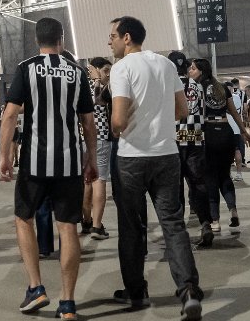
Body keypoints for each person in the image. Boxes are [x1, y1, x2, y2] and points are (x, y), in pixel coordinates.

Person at [0, 17, 96, 321]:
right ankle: (67, 303)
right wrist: (91, 157)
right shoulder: (77, 72)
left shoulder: (26, 68)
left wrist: (3, 154)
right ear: (61, 39)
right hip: (68, 162)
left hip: (35, 162)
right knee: (68, 228)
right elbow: (88, 121)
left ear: (37, 40)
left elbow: (11, 114)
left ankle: (36, 287)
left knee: (23, 218)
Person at [108, 16, 202, 320]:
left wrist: (116, 126)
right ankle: (188, 290)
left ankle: (136, 290)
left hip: (132, 157)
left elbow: (119, 120)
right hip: (167, 155)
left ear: (126, 37)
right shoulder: (166, 64)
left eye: (112, 36)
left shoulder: (122, 68)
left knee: (132, 225)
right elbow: (182, 110)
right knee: (173, 224)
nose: (109, 42)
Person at [190, 59, 243, 233]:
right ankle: (233, 210)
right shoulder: (222, 87)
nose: (191, 71)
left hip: (209, 132)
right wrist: (244, 130)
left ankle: (215, 220)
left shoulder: (198, 88)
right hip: (225, 131)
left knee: (210, 177)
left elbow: (197, 113)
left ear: (201, 71)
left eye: (193, 68)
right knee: (225, 174)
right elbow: (233, 113)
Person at [168, 52, 214, 247]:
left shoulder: (167, 86)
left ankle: (178, 230)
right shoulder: (197, 85)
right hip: (195, 138)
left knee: (175, 185)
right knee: (198, 183)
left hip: (174, 139)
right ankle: (205, 224)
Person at [87, 57, 113, 240]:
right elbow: (98, 101)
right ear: (95, 70)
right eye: (105, 70)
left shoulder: (78, 86)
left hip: (82, 139)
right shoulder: (100, 88)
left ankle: (86, 220)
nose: (108, 74)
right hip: (101, 138)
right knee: (99, 181)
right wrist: (97, 80)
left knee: (86, 182)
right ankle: (96, 226)